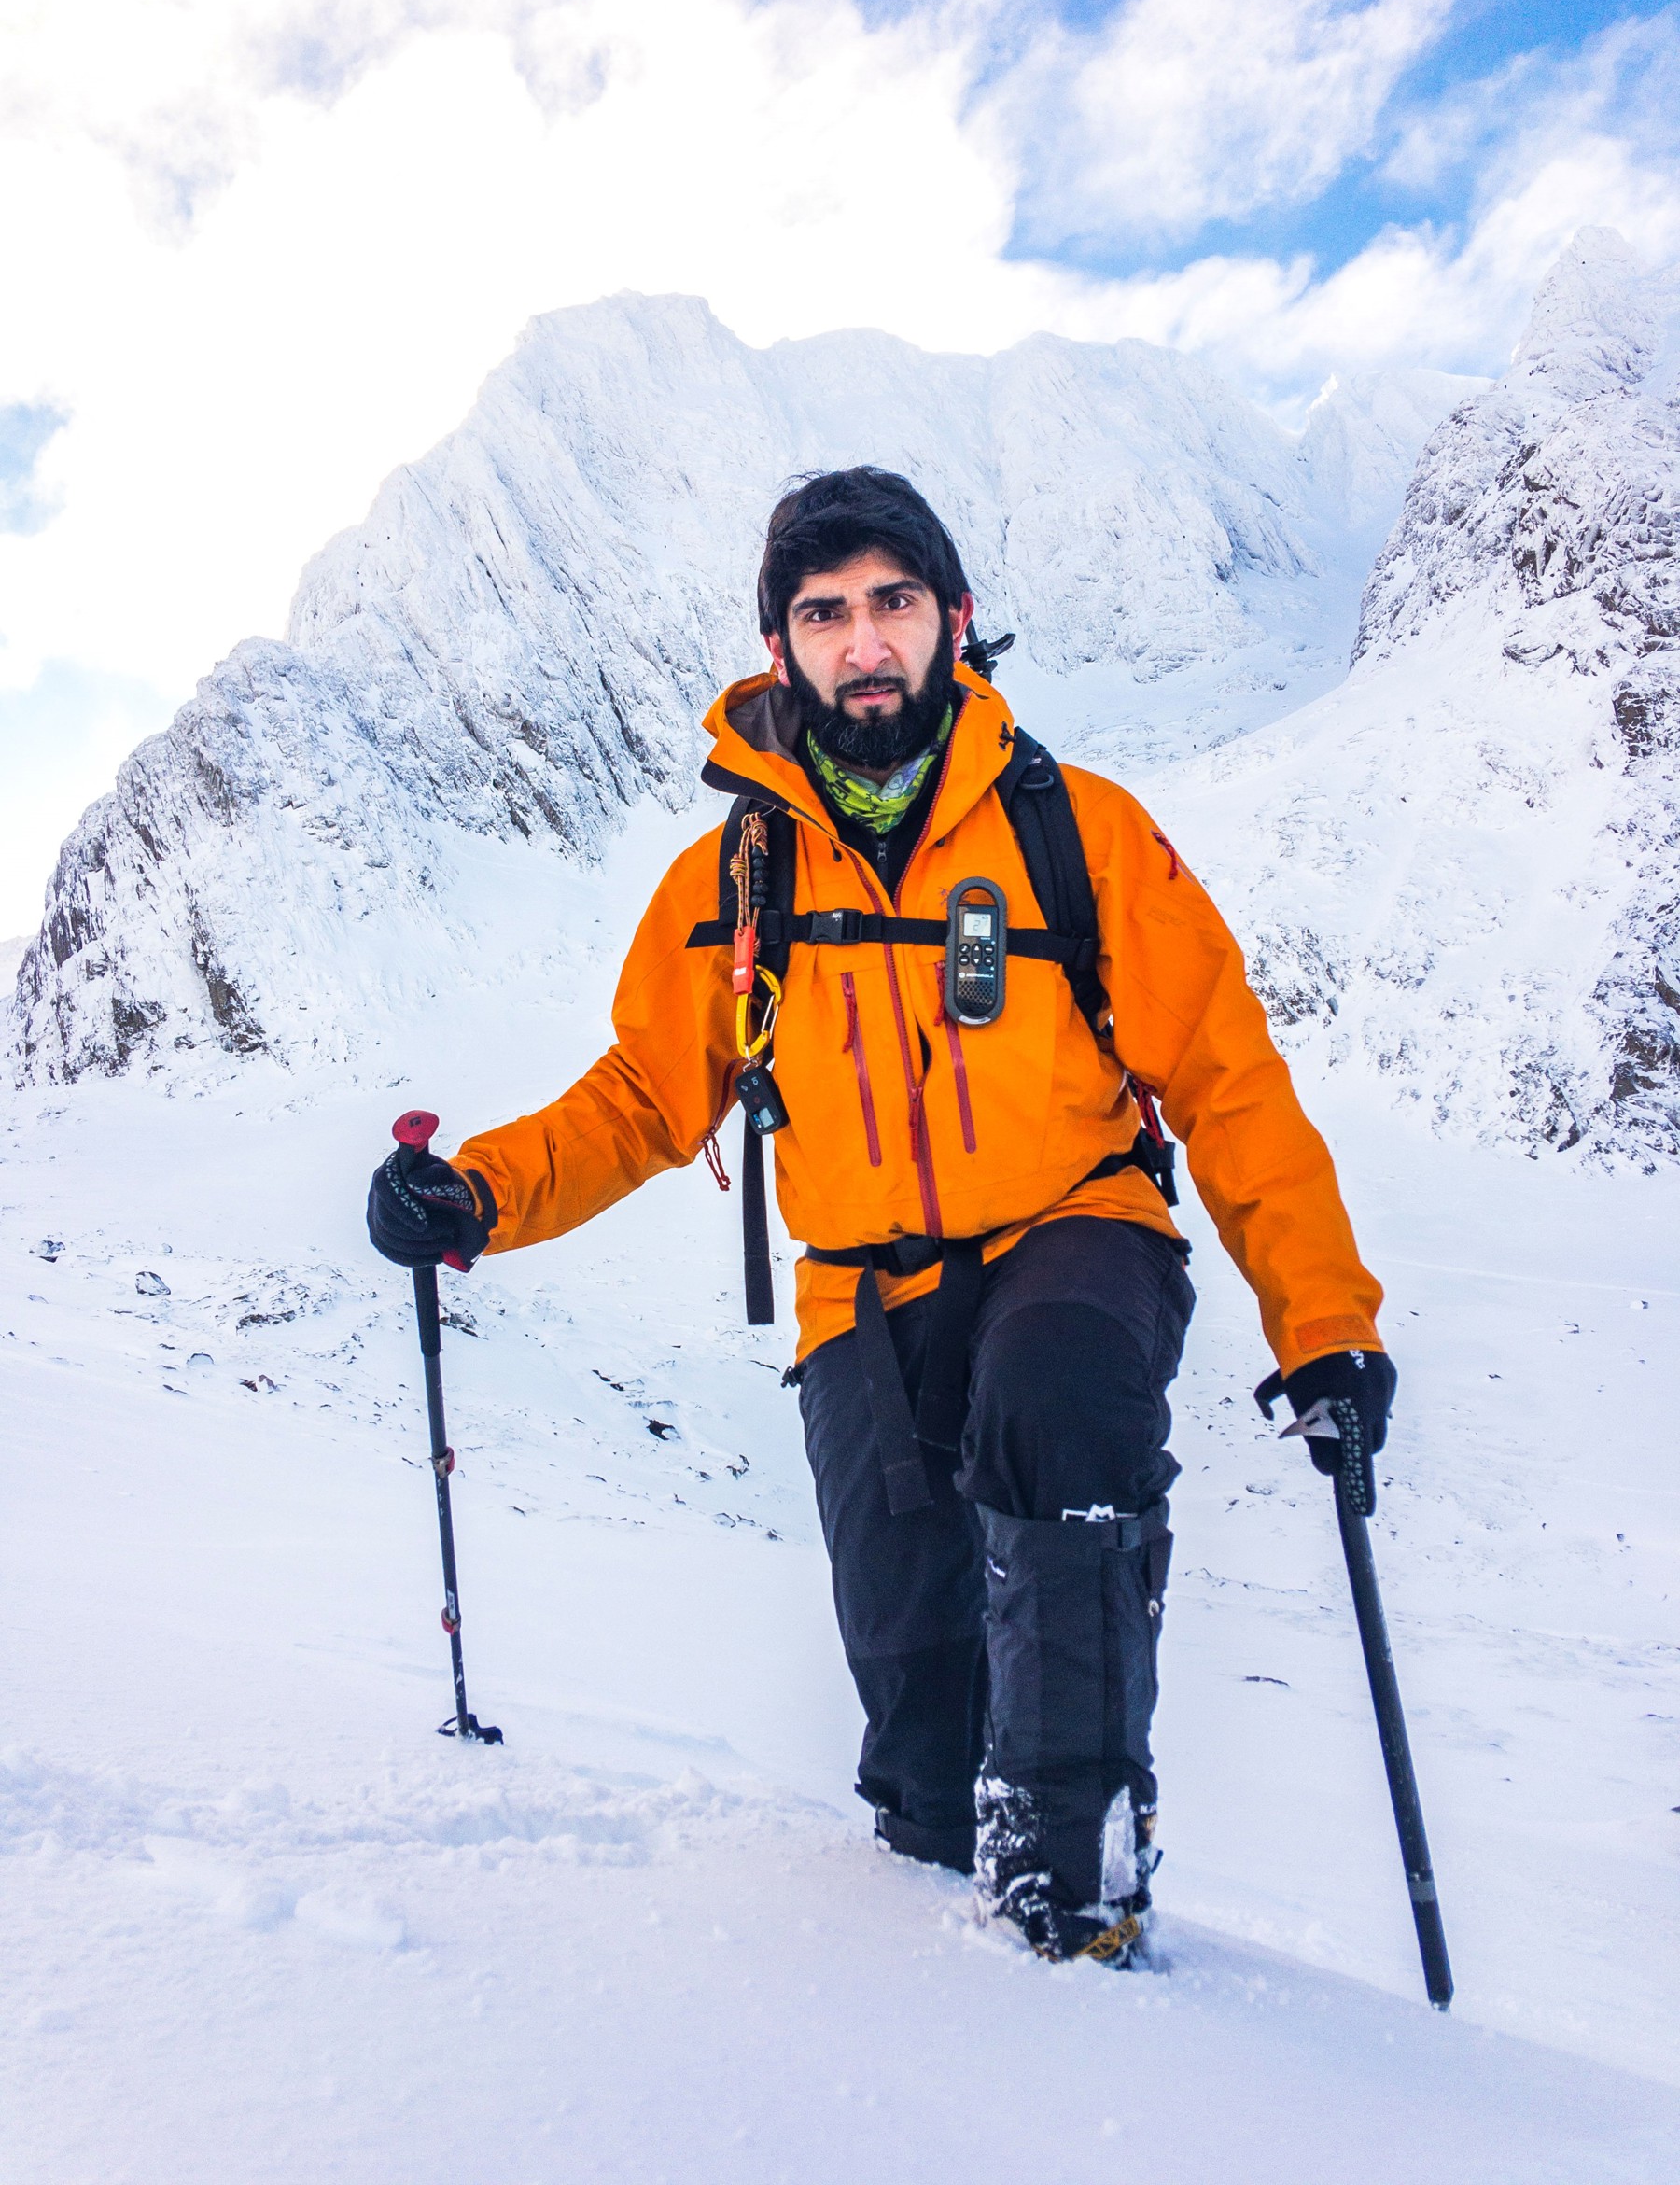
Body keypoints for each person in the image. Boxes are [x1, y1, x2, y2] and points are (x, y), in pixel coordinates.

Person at [368, 467, 1395, 1968]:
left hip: (1076, 1232)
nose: (864, 642)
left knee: (1055, 1402)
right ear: (781, 646)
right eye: (825, 612)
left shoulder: (1081, 836)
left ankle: (1079, 1885)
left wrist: (1325, 1330)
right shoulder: (737, 878)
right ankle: (946, 1911)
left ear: (955, 622)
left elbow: (1229, 1085)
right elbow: (646, 1100)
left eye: (893, 605)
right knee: (921, 1746)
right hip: (864, 1297)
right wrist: (476, 1197)